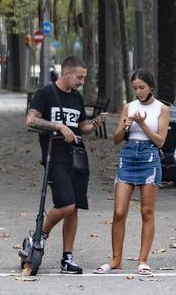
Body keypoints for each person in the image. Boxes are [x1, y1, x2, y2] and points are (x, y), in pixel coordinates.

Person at [25, 57, 106, 275]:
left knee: (74, 207)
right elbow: (31, 121)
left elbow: (82, 127)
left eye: (84, 78)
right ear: (66, 73)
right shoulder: (45, 94)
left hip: (77, 157)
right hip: (54, 156)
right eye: (79, 77)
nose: (81, 82)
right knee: (66, 204)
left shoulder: (77, 98)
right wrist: (58, 126)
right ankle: (39, 234)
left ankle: (67, 257)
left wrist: (93, 124)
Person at [101, 70, 168, 277]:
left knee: (146, 211)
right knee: (119, 211)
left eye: (142, 88)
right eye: (135, 88)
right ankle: (116, 259)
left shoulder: (162, 109)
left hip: (149, 157)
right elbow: (116, 139)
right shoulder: (128, 107)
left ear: (151, 87)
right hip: (128, 155)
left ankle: (143, 260)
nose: (138, 92)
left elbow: (160, 141)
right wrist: (125, 126)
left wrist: (142, 124)